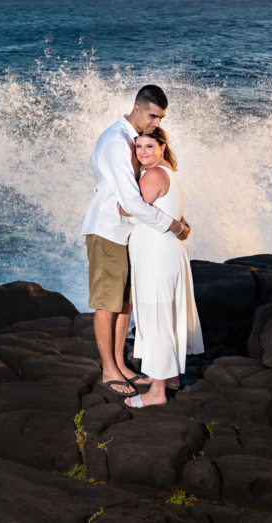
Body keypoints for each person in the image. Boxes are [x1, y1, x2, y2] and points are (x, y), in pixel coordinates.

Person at [80, 85, 190, 398]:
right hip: (108, 230)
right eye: (153, 116)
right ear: (137, 108)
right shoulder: (117, 141)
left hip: (127, 231)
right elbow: (130, 199)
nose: (156, 123)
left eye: (161, 118)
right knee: (107, 302)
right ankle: (109, 369)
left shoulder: (131, 139)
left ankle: (121, 365)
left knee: (125, 301)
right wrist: (172, 225)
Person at [125, 127, 204, 408]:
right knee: (164, 315)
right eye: (138, 148)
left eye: (149, 146)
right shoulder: (165, 170)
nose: (142, 152)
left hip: (158, 255)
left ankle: (157, 392)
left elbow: (128, 208)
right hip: (163, 252)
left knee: (158, 316)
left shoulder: (155, 174)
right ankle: (169, 377)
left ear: (161, 146)